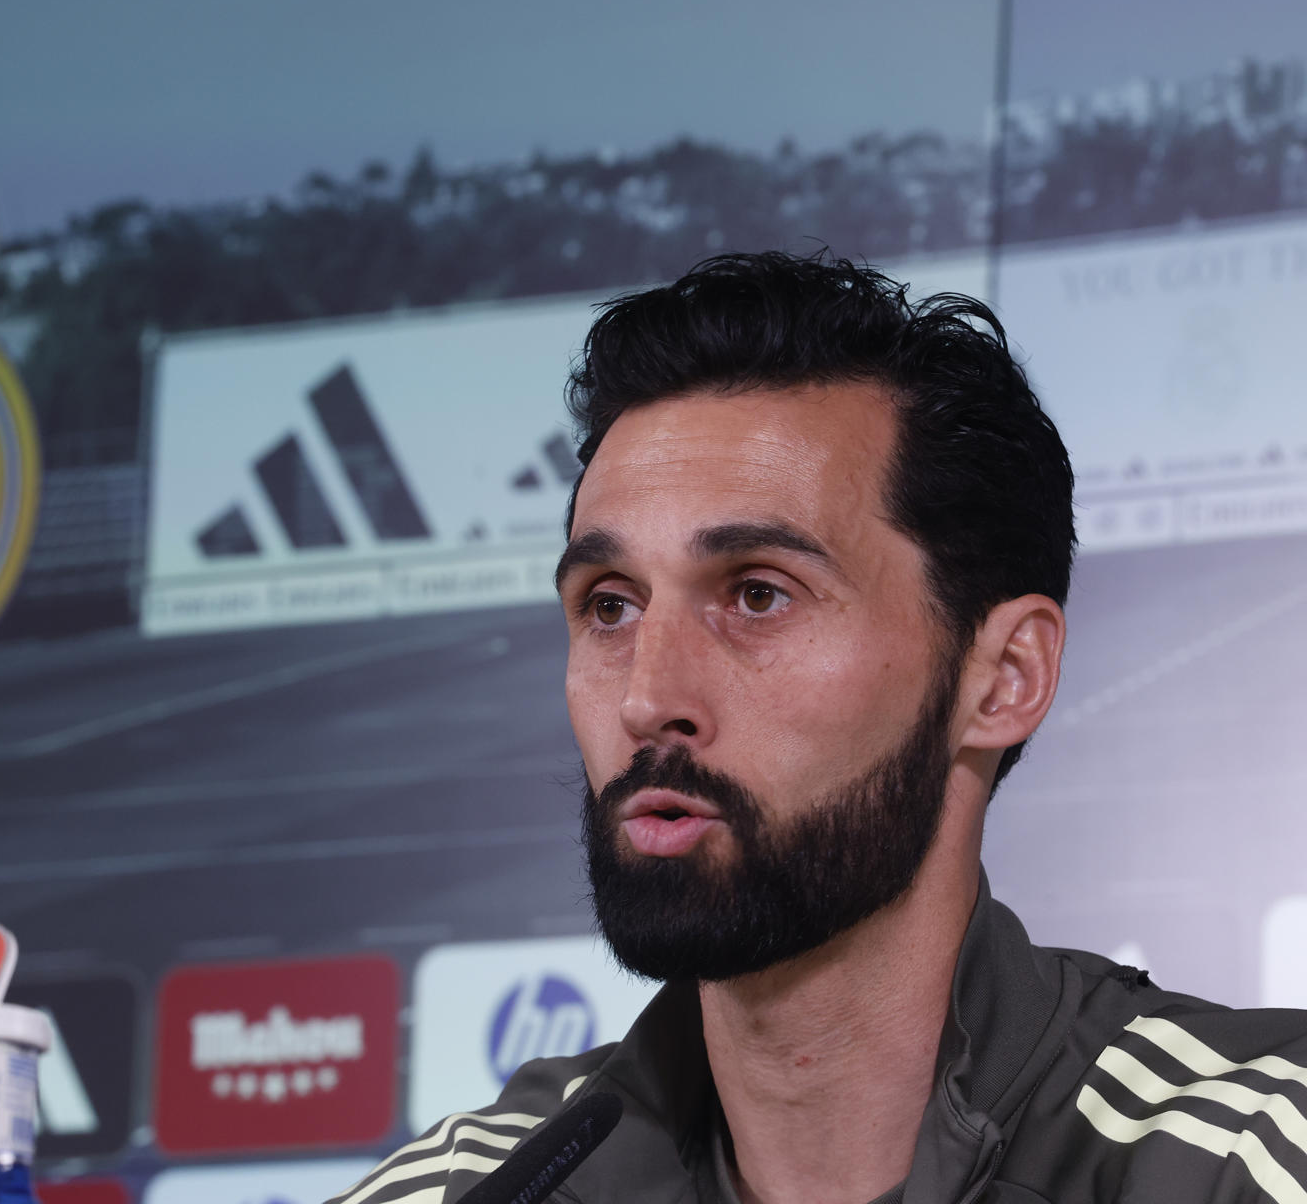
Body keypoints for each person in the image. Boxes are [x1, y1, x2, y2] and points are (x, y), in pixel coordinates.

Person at [331, 252, 1307, 1204]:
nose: (646, 696)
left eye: (757, 593)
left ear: (1003, 677)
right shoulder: (467, 1186)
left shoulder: (1257, 1155)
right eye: (612, 604)